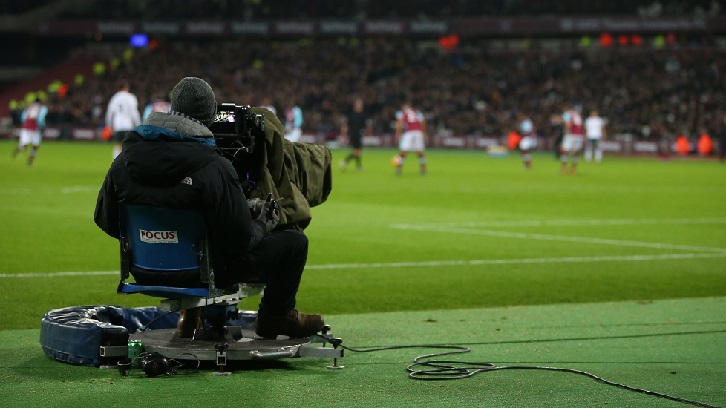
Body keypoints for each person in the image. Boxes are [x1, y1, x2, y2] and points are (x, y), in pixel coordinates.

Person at [94, 77, 324, 339]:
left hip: (143, 269)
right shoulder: (213, 167)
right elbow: (240, 240)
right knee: (294, 242)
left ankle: (189, 316)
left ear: (172, 109)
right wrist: (263, 222)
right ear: (210, 117)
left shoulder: (123, 161)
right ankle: (276, 317)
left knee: (209, 238)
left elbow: (107, 221)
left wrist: (159, 239)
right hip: (202, 273)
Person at [105, 81, 141, 159]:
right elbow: (134, 113)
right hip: (128, 125)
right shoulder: (131, 97)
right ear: (127, 88)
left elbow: (110, 113)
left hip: (118, 125)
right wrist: (138, 125)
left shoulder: (115, 97)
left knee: (118, 144)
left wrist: (109, 125)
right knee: (128, 144)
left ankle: (116, 162)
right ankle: (128, 161)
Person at [394, 96, 427, 175]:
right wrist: (423, 132)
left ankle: (399, 169)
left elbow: (399, 123)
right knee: (420, 151)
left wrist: (398, 134)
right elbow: (422, 122)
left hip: (409, 133)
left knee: (403, 151)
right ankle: (423, 169)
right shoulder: (417, 112)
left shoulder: (401, 112)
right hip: (418, 132)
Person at [12, 98, 48, 166]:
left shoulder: (29, 107)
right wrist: (42, 126)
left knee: (30, 145)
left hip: (29, 128)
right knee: (31, 146)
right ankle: (26, 158)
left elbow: (23, 117)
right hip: (31, 129)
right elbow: (40, 118)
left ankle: (27, 159)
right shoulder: (42, 108)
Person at [339, 98, 366, 171]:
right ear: (355, 107)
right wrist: (344, 133)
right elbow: (346, 125)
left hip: (359, 135)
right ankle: (345, 161)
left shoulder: (363, 116)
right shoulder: (352, 116)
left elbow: (364, 126)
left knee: (357, 151)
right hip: (354, 135)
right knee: (357, 151)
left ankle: (358, 166)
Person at [560, 104, 584, 174]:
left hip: (571, 135)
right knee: (575, 152)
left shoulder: (567, 114)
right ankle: (573, 169)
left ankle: (563, 169)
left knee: (564, 150)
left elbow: (568, 124)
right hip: (579, 135)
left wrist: (565, 134)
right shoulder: (577, 114)